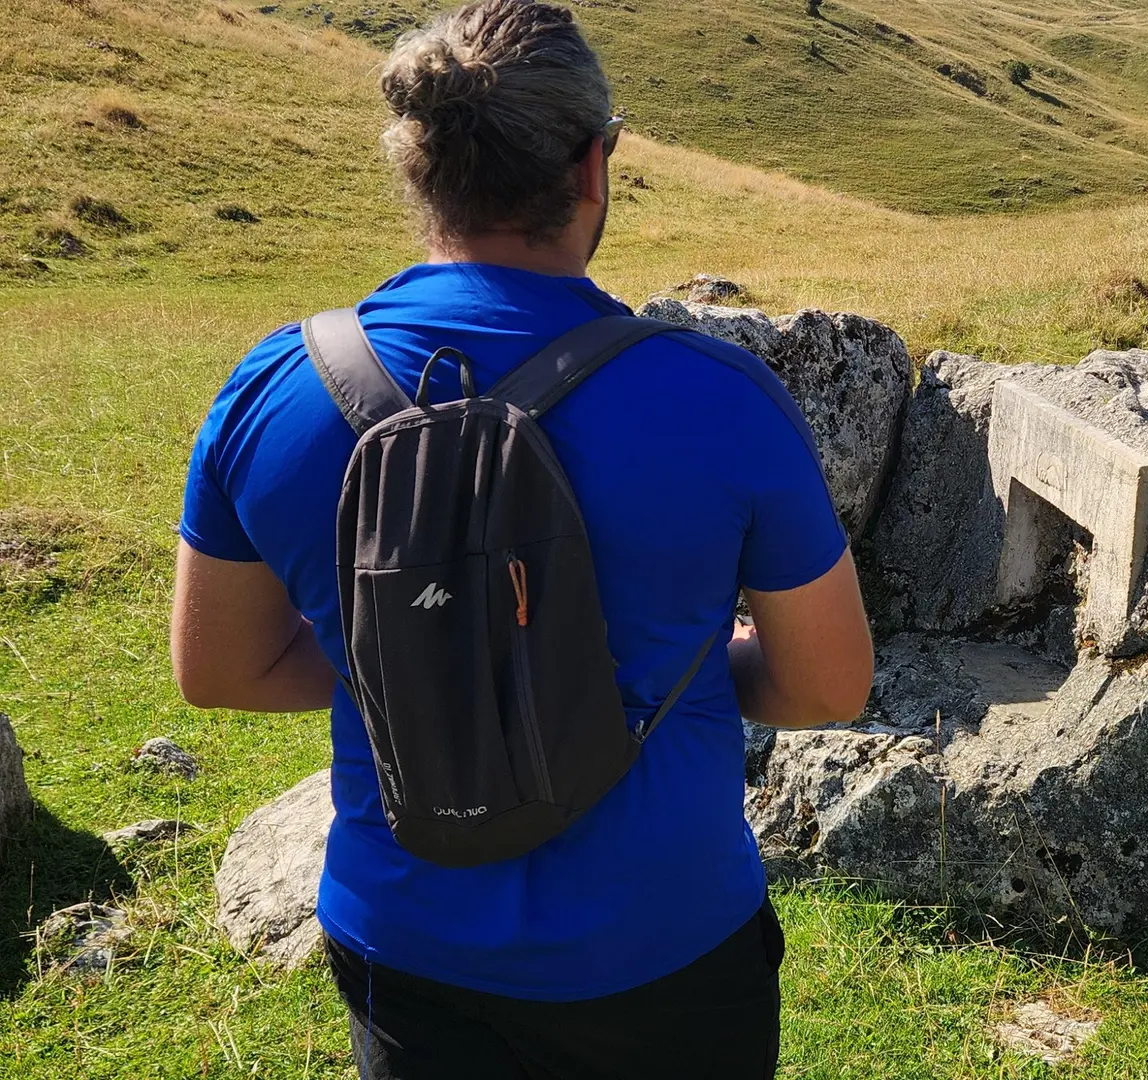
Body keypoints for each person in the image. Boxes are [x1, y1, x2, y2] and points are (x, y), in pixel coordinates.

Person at [168, 2, 874, 1076]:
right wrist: (666, 664)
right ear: (592, 165)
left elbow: (220, 670)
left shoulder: (277, 390)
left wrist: (429, 658)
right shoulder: (721, 399)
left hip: (405, 943)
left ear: (418, 167)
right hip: (668, 943)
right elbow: (827, 685)